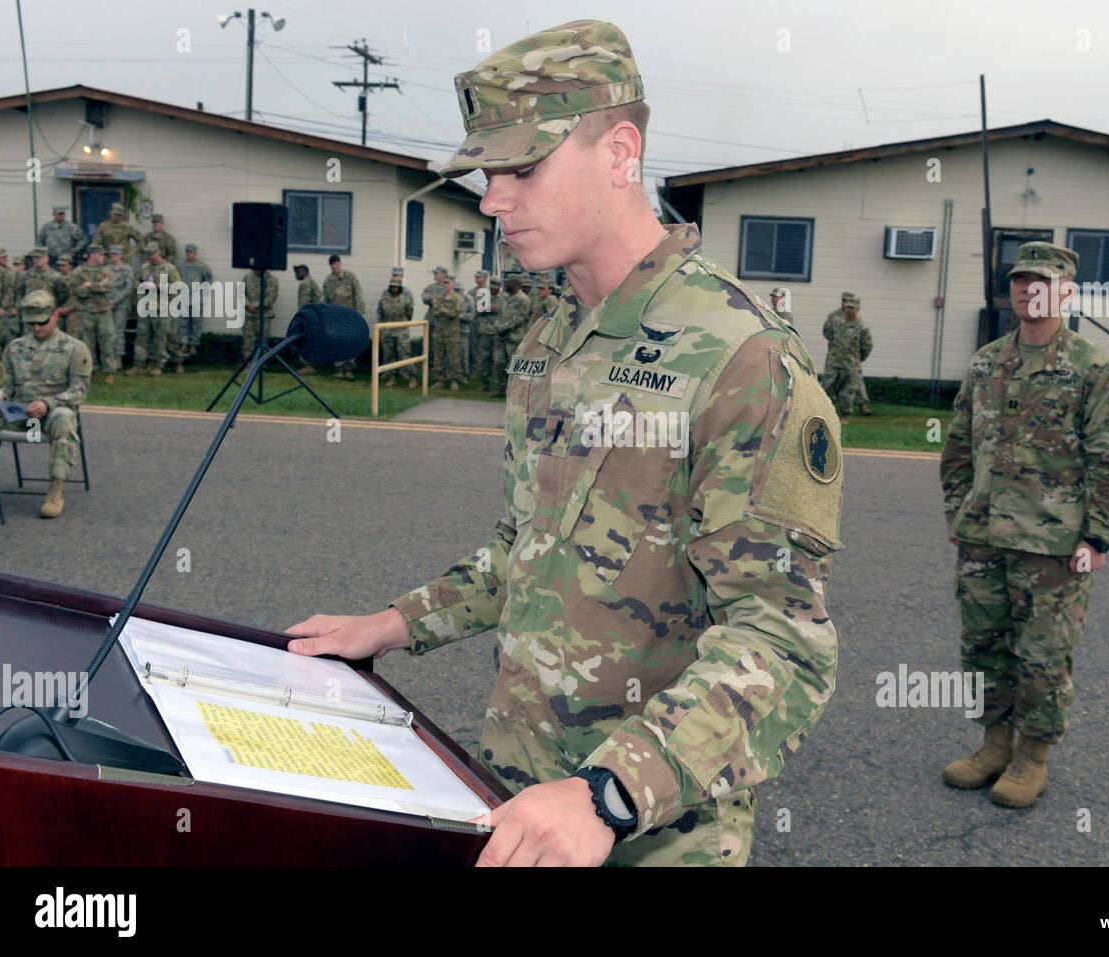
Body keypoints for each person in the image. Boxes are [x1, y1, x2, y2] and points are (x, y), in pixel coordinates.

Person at [287, 19, 844, 868]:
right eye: (485, 173)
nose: (490, 199)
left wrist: (607, 795)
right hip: (515, 788)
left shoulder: (744, 356)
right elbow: (527, 548)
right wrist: (393, 624)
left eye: (522, 169)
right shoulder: (549, 342)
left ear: (621, 153)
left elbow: (783, 641)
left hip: (649, 829)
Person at [939, 241, 1109, 808]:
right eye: (1022, 282)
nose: (1030, 292)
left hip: (1054, 544)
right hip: (982, 537)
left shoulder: (1092, 368)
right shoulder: (986, 363)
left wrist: (1099, 535)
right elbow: (957, 447)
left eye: (1044, 283)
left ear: (1067, 293)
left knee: (1044, 655)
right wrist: (960, 510)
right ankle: (993, 745)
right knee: (983, 647)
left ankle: (1032, 758)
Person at [0, 289, 91, 518]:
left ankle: (56, 489)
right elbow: (5, 383)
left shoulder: (74, 349)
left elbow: (79, 390)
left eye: (41, 322)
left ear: (55, 316)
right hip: (18, 416)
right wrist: (0, 395)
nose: (36, 328)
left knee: (64, 416)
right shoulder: (14, 347)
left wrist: (48, 404)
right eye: (30, 324)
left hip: (49, 417)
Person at [127, 243, 182, 376]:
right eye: (148, 256)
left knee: (161, 338)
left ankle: (158, 364)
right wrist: (140, 285)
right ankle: (139, 364)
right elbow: (136, 281)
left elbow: (177, 288)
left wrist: (157, 286)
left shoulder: (169, 269)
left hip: (162, 308)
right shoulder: (145, 267)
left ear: (158, 253)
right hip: (146, 307)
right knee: (142, 337)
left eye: (152, 256)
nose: (150, 259)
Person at [69, 243, 120, 384]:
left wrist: (89, 285)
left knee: (107, 341)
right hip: (86, 312)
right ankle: (88, 371)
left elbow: (109, 287)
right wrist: (99, 285)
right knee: (86, 343)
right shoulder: (78, 272)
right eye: (101, 255)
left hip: (103, 312)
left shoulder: (107, 271)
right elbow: (78, 292)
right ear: (92, 255)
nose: (104, 257)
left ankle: (110, 372)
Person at [822, 293, 873, 416]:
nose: (849, 309)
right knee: (827, 386)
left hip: (851, 363)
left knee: (848, 390)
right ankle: (823, 411)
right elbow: (827, 332)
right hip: (834, 361)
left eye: (852, 307)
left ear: (857, 309)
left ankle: (845, 414)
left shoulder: (862, 326)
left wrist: (858, 358)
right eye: (847, 307)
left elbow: (867, 345)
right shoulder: (836, 320)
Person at [487, 272, 531, 395]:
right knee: (498, 363)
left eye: (508, 282)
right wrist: (497, 327)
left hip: (514, 338)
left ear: (515, 284)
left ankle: (515, 391)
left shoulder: (523, 299)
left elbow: (519, 319)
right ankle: (500, 389)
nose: (505, 284)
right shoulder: (505, 298)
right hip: (501, 338)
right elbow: (499, 315)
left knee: (514, 366)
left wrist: (503, 328)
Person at [322, 255, 364, 379]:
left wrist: (359, 313)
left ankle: (349, 369)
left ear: (340, 264)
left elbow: (358, 295)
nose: (335, 267)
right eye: (332, 265)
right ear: (330, 266)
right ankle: (339, 369)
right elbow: (325, 300)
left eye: (336, 264)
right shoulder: (328, 281)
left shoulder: (350, 277)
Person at [376, 267, 417, 388]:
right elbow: (380, 314)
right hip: (387, 332)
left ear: (399, 288)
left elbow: (409, 314)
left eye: (396, 287)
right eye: (392, 286)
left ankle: (412, 377)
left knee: (404, 355)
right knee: (389, 356)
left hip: (401, 332)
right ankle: (392, 378)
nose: (394, 288)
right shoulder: (384, 300)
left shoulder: (405, 300)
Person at [428, 272, 465, 390]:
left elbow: (456, 312)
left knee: (454, 357)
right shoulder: (439, 298)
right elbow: (435, 312)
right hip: (439, 332)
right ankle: (438, 380)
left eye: (448, 283)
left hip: (452, 333)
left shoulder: (458, 298)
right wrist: (447, 311)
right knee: (438, 357)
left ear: (453, 284)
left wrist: (444, 310)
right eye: (444, 283)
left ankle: (455, 380)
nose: (445, 285)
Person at [176, 243, 213, 359]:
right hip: (183, 299)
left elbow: (207, 280)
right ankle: (184, 343)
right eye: (187, 252)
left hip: (196, 300)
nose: (189, 254)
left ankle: (193, 345)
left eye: (191, 252)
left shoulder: (201, 267)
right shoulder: (180, 266)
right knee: (183, 323)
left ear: (195, 253)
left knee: (196, 324)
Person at [241, 267, 279, 363]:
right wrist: (248, 304)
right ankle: (248, 365)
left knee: (263, 341)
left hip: (264, 315)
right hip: (249, 315)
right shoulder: (247, 277)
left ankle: (260, 365)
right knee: (248, 341)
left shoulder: (272, 279)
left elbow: (271, 298)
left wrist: (256, 306)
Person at [106, 244, 135, 365]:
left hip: (121, 305)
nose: (114, 256)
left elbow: (128, 288)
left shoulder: (127, 269)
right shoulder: (107, 269)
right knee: (108, 331)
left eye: (116, 254)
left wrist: (115, 301)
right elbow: (104, 286)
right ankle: (109, 356)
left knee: (118, 331)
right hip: (108, 304)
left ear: (121, 255)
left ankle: (118, 357)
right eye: (112, 253)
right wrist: (108, 301)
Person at [293, 264, 321, 374]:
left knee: (304, 340)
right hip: (313, 316)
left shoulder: (305, 284)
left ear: (304, 272)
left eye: (298, 272)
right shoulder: (311, 281)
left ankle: (307, 366)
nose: (296, 275)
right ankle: (310, 365)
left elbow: (303, 304)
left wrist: (301, 317)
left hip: (307, 317)